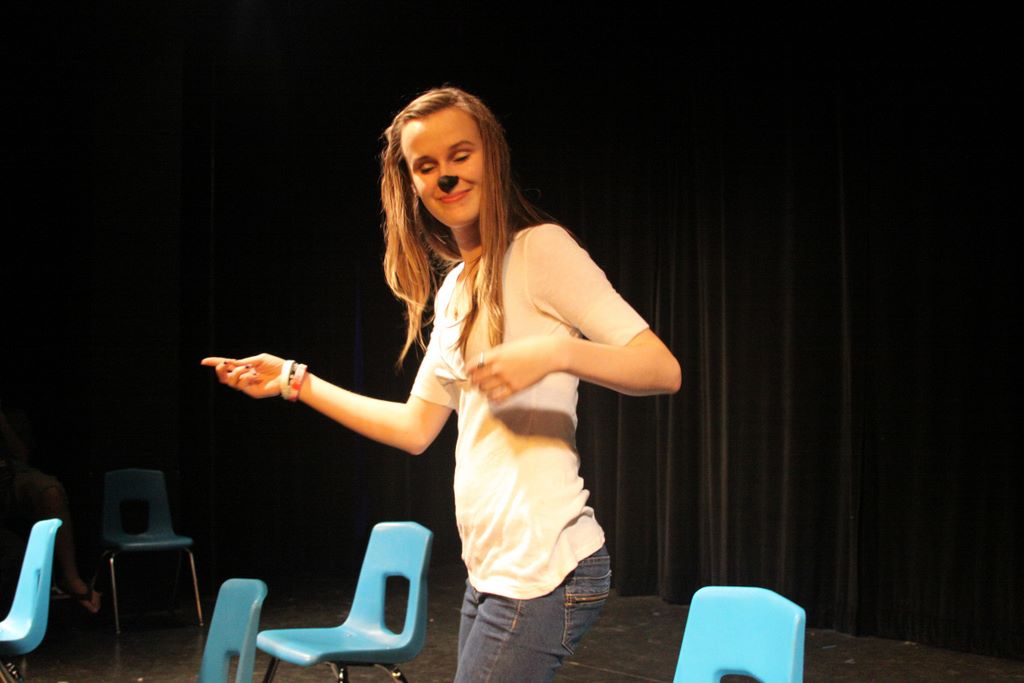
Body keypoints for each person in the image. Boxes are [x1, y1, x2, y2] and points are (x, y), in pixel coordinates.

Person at [202, 86, 681, 681]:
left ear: (492, 156)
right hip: (490, 571)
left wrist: (557, 353)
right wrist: (295, 381)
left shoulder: (541, 250)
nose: (446, 176)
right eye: (426, 166)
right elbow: (415, 427)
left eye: (460, 155)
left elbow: (662, 369)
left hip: (544, 568)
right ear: (411, 184)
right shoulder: (456, 286)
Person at [0, 400, 101, 614]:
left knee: (49, 490)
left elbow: (21, 456)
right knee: (13, 553)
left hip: (9, 474)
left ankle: (70, 577)